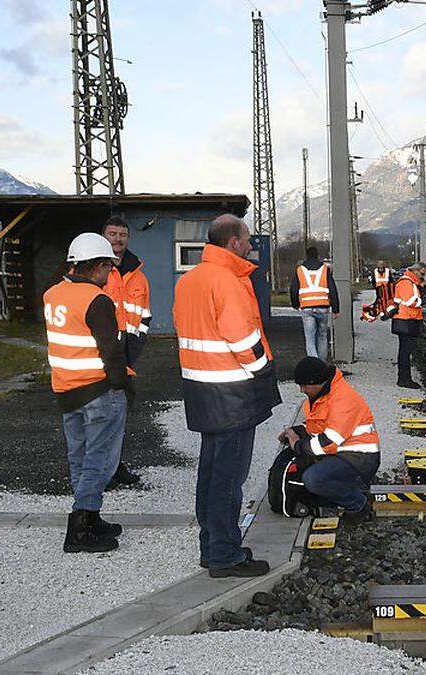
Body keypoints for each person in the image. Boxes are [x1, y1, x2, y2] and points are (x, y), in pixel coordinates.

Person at [175, 214, 280, 578]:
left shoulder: (189, 280)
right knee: (229, 478)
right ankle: (224, 554)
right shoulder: (229, 281)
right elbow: (242, 339)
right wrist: (264, 370)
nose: (251, 245)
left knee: (210, 472)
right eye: (247, 239)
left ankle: (211, 546)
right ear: (233, 242)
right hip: (232, 392)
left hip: (201, 389)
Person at [43, 233, 132, 553]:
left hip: (66, 390)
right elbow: (111, 351)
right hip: (98, 391)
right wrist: (121, 383)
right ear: (95, 266)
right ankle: (80, 527)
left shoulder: (52, 294)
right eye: (108, 267)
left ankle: (90, 515)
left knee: (79, 457)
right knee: (100, 460)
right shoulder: (98, 300)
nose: (110, 274)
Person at [278, 357, 379, 523]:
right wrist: (294, 432)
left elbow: (328, 441)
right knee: (309, 476)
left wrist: (297, 444)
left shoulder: (342, 400)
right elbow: (317, 428)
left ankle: (358, 505)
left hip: (360, 459)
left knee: (313, 479)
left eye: (304, 385)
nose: (302, 390)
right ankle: (343, 493)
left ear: (316, 382)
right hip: (344, 455)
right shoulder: (324, 394)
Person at [101, 215, 150, 487]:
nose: (117, 239)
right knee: (99, 418)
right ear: (104, 236)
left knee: (119, 416)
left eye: (122, 234)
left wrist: (132, 354)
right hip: (99, 357)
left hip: (126, 357)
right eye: (112, 234)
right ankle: (101, 471)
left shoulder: (139, 276)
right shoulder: (94, 270)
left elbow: (144, 317)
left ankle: (115, 464)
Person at [380, 262, 426, 389]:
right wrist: (423, 300)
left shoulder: (411, 282)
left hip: (408, 320)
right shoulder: (406, 282)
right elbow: (410, 301)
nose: (423, 275)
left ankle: (405, 378)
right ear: (416, 271)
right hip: (405, 320)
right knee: (405, 351)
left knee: (405, 351)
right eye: (422, 273)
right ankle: (404, 379)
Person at [290, 246, 339, 361]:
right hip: (323, 307)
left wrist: (295, 304)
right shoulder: (324, 269)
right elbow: (332, 289)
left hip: (307, 308)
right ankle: (321, 363)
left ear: (306, 256)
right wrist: (336, 309)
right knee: (322, 336)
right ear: (318, 256)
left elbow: (293, 289)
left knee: (310, 338)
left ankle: (313, 365)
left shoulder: (300, 270)